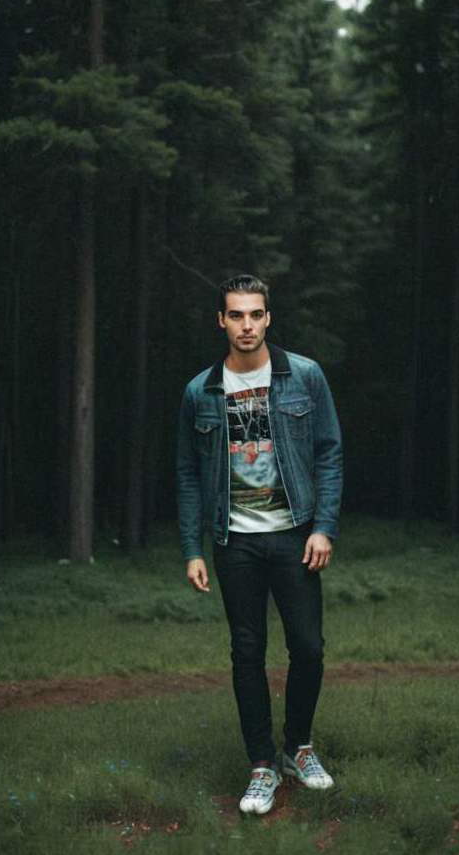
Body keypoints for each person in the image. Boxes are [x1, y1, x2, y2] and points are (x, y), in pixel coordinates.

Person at [176, 273, 343, 815]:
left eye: (255, 315)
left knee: (309, 648)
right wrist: (192, 548)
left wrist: (324, 526)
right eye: (236, 315)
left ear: (268, 318)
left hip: (294, 534)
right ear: (221, 321)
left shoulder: (306, 377)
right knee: (247, 651)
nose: (246, 325)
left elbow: (329, 453)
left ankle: (298, 747)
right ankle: (261, 765)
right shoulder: (201, 390)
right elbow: (187, 473)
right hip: (235, 540)